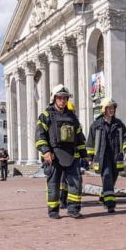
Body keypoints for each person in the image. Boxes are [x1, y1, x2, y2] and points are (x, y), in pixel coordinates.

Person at [35, 84, 88, 219]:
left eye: (65, 98)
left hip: (72, 156)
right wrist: (46, 152)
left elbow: (79, 136)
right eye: (60, 98)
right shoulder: (46, 115)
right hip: (53, 157)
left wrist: (84, 155)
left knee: (75, 183)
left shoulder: (72, 117)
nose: (62, 101)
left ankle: (73, 209)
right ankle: (53, 211)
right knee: (53, 184)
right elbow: (40, 136)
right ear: (54, 98)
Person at [86, 96, 126, 213]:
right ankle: (110, 204)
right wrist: (90, 158)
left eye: (113, 108)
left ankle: (103, 196)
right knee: (107, 176)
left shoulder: (118, 124)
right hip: (102, 156)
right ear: (103, 110)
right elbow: (90, 142)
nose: (111, 110)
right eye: (109, 108)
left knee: (113, 177)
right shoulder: (96, 125)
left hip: (116, 156)